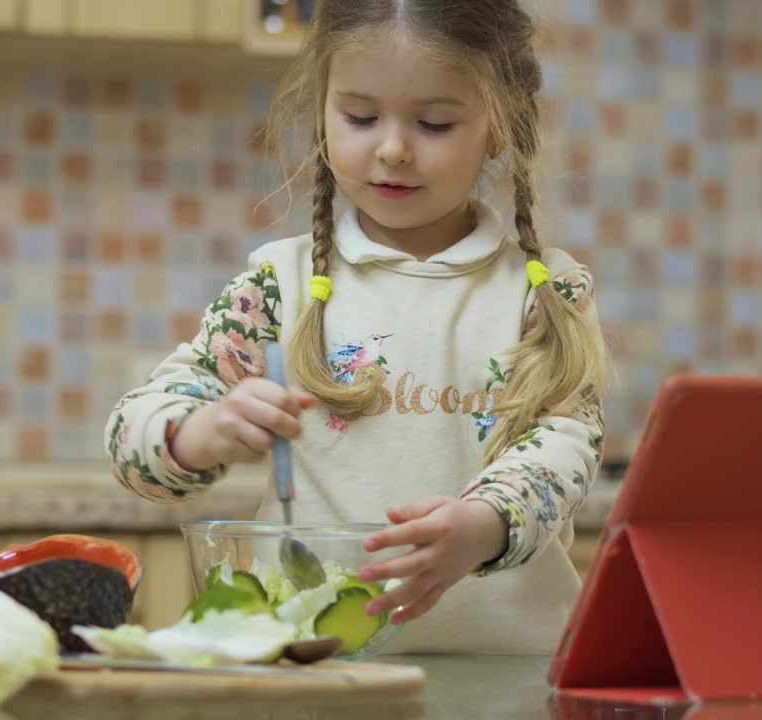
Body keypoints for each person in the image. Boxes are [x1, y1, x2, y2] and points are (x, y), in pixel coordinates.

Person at [105, 0, 608, 654]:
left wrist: (486, 523)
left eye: (434, 123)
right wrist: (201, 431)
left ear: (500, 124)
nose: (393, 149)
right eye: (360, 117)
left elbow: (567, 445)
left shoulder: (546, 291)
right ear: (321, 109)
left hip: (508, 675)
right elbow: (130, 439)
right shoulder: (274, 288)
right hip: (319, 677)